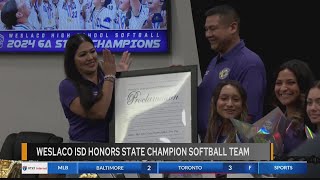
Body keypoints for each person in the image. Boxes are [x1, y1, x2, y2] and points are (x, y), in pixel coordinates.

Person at [197, 4, 266, 142]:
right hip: (212, 146)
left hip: (234, 150)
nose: (208, 34)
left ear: (233, 28)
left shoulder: (249, 62)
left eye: (213, 29)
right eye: (206, 29)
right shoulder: (214, 61)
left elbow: (248, 115)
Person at [59, 34, 132, 142]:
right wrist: (110, 77)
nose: (90, 58)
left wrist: (120, 78)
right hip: (84, 150)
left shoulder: (106, 77)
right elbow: (98, 112)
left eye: (92, 51)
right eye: (83, 55)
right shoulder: (67, 86)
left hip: (113, 145)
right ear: (72, 60)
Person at [273, 59, 315, 154]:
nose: (283, 88)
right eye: (279, 83)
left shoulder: (312, 121)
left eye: (290, 82)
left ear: (302, 85)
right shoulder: (273, 122)